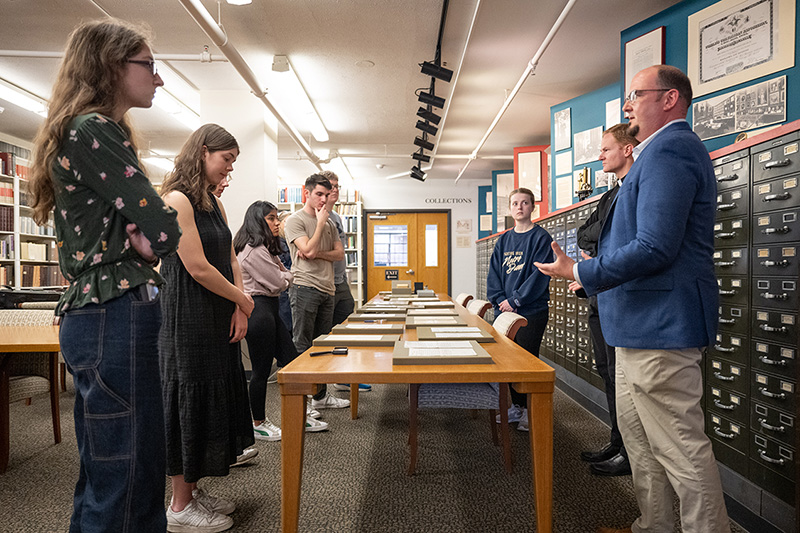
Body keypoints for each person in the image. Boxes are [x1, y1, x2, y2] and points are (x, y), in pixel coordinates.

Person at [535, 65, 731, 533]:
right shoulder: (652, 155)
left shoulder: (671, 150)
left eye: (635, 95)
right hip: (635, 327)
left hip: (661, 326)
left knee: (681, 449)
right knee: (642, 443)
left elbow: (654, 246)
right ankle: (653, 524)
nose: (627, 105)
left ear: (669, 99)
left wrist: (580, 270)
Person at [29, 19, 181, 532]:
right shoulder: (94, 131)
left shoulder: (86, 132)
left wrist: (147, 244)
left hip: (100, 314)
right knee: (126, 474)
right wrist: (150, 244)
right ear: (112, 67)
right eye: (149, 66)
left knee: (114, 470)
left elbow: (152, 230)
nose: (158, 79)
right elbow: (162, 228)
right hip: (114, 313)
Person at [159, 124, 256, 533]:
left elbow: (230, 257)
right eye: (226, 159)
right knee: (190, 403)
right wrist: (243, 299)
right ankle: (179, 507)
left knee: (213, 397)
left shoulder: (213, 203)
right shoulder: (176, 200)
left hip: (217, 314)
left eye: (233, 161)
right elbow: (196, 267)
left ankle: (193, 489)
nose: (229, 169)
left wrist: (239, 304)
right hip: (187, 318)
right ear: (202, 152)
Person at [573, 124, 638, 478]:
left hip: (620, 296)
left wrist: (598, 247)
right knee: (607, 372)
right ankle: (618, 441)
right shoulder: (609, 195)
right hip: (600, 296)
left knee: (621, 376)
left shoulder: (634, 191)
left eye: (605, 149)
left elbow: (617, 238)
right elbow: (586, 232)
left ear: (627, 150)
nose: (599, 155)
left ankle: (629, 451)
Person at [234, 200, 327, 440]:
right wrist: (286, 276)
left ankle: (300, 414)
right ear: (258, 221)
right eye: (272, 219)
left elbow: (283, 276)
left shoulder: (265, 248)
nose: (277, 223)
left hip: (269, 310)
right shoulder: (253, 251)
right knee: (261, 371)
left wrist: (285, 276)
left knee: (292, 361)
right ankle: (258, 422)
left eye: (277, 218)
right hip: (260, 311)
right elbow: (279, 282)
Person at [486, 187, 553, 431]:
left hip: (530, 311)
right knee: (507, 361)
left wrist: (516, 300)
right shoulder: (504, 239)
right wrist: (499, 300)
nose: (520, 207)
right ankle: (516, 406)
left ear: (532, 207)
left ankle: (528, 410)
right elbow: (494, 274)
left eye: (525, 203)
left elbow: (540, 274)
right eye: (515, 203)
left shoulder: (541, 238)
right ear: (510, 208)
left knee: (527, 359)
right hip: (504, 311)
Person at [284, 173, 350, 410]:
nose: (324, 199)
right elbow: (307, 249)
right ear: (307, 193)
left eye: (326, 194)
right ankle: (303, 403)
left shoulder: (332, 223)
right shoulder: (295, 221)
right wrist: (320, 224)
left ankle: (320, 397)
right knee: (302, 345)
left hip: (327, 288)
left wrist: (316, 253)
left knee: (322, 346)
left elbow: (338, 254)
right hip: (305, 287)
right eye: (319, 194)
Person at [320, 170, 372, 394]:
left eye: (337, 186)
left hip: (341, 281)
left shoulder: (338, 218)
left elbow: (340, 253)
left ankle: (343, 377)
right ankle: (320, 388)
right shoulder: (316, 217)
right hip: (325, 282)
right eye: (331, 186)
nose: (335, 190)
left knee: (346, 330)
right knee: (324, 333)